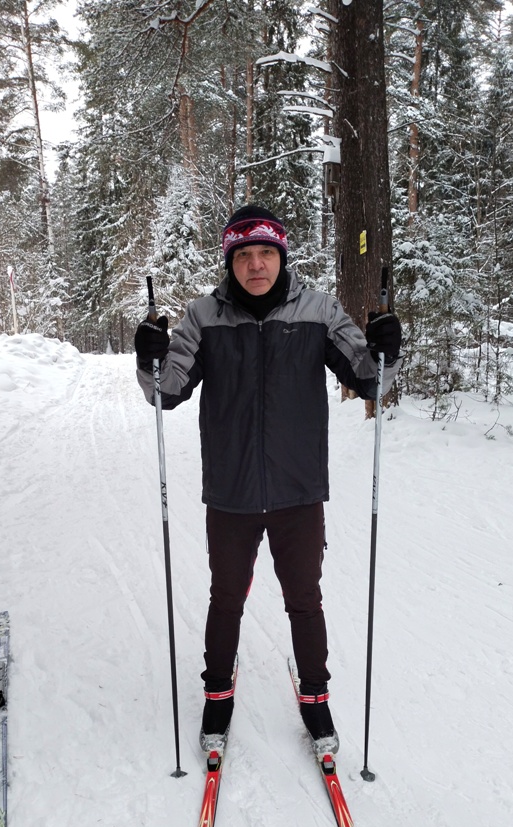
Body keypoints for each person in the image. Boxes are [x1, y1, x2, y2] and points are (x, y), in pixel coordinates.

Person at [134, 204, 402, 755]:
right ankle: (217, 692)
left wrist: (387, 346)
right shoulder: (204, 317)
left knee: (304, 598)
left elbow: (371, 379)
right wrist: (149, 358)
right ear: (230, 261)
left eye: (266, 253)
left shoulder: (319, 312)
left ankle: (316, 698)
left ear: (282, 256)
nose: (256, 265)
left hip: (297, 491)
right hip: (231, 491)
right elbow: (166, 391)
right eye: (244, 255)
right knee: (226, 596)